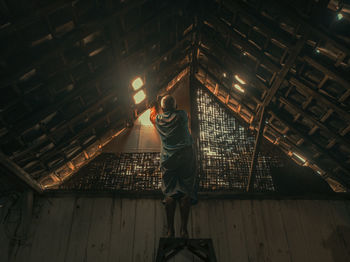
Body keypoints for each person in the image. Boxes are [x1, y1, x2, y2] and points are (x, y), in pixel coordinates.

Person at [150, 95, 197, 238]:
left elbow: (152, 116)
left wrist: (154, 103)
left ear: (162, 108)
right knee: (185, 192)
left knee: (169, 193)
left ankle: (170, 230)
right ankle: (184, 230)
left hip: (168, 159)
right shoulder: (182, 115)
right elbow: (188, 115)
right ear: (176, 107)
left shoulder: (158, 119)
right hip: (186, 156)